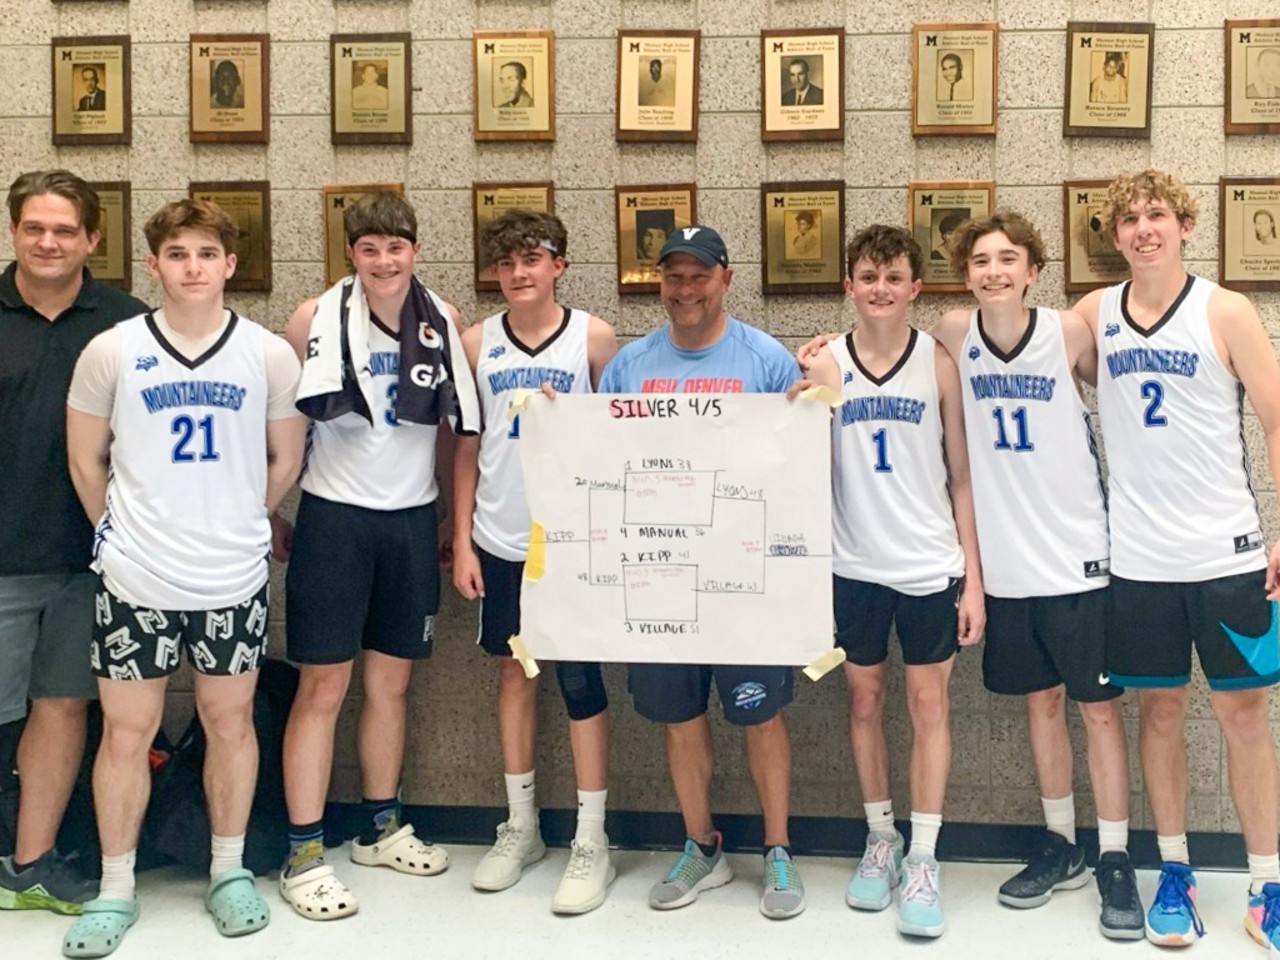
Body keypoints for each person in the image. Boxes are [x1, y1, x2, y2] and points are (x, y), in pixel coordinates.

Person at [61, 198, 304, 957]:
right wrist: (120, 534)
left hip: (231, 577)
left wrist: (238, 523)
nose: (192, 267)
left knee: (231, 723)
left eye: (206, 253)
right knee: (126, 733)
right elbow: (84, 457)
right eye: (177, 253)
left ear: (230, 265)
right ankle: (116, 886)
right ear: (154, 264)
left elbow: (285, 460)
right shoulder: (112, 350)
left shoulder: (266, 354)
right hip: (135, 575)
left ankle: (228, 872)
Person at [1074, 168, 1280, 950]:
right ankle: (1176, 873)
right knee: (1159, 714)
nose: (1143, 228)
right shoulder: (1095, 314)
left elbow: (1276, 416)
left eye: (1156, 214)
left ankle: (1267, 883)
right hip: (1140, 563)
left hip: (1228, 554)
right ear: (1115, 236)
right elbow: (1010, 341)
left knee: (1244, 717)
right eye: (1128, 219)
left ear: (1184, 225)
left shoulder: (1225, 309)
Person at [932, 211, 1142, 940]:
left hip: (1081, 555)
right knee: (1042, 706)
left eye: (1008, 259)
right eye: (981, 261)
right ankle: (1064, 844)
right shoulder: (955, 335)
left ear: (1033, 269)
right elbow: (880, 347)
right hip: (1011, 565)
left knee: (1098, 709)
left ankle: (1115, 854)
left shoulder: (1070, 331)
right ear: (966, 275)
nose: (995, 270)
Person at [275, 191, 479, 921]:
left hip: (410, 523)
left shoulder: (444, 321)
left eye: (396, 247)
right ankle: (303, 851)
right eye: (369, 248)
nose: (384, 261)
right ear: (351, 255)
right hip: (335, 520)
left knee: (392, 688)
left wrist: (453, 515)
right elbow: (287, 424)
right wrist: (272, 508)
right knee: (322, 689)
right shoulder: (313, 318)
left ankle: (381, 828)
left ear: (415, 250)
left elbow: (458, 427)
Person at [598, 225, 806, 920]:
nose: (685, 290)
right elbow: (600, 461)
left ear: (726, 277)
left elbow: (796, 463)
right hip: (659, 568)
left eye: (698, 276)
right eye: (673, 277)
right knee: (679, 718)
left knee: (760, 714)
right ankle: (701, 846)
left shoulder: (767, 360)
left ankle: (777, 848)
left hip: (742, 576)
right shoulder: (629, 365)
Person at [790, 224, 983, 939]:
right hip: (853, 567)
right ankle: (881, 837)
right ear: (849, 286)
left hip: (930, 565)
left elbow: (963, 476)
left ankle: (925, 856)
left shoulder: (937, 363)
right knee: (865, 703)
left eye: (893, 276)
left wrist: (974, 581)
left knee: (929, 707)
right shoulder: (824, 363)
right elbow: (793, 459)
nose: (879, 288)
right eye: (867, 276)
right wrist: (802, 390)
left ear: (915, 287)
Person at [452, 210, 619, 914]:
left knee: (581, 685)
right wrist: (459, 537)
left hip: (576, 538)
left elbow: (618, 435)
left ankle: (591, 838)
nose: (520, 272)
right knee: (515, 678)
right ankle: (521, 826)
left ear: (559, 264)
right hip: (502, 534)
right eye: (508, 262)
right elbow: (465, 443)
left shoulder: (594, 336)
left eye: (534, 259)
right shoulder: (475, 341)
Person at [0, 171, 147, 918]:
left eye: (64, 230)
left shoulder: (128, 325)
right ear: (14, 232)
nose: (48, 242)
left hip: (91, 563)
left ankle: (27, 866)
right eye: (34, 228)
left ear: (93, 238)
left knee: (61, 711)